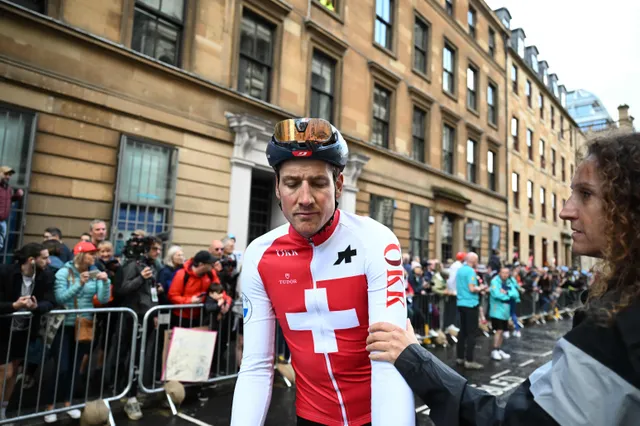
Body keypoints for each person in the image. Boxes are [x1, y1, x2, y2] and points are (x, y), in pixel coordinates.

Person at [365, 133, 640, 425]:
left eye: (585, 194)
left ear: (629, 207)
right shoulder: (620, 311)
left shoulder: (620, 326)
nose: (565, 211)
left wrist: (415, 360)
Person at [230, 118, 415, 426]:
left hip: (378, 413)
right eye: (291, 184)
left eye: (318, 183)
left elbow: (389, 360)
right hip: (311, 418)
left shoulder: (374, 240)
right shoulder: (259, 255)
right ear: (277, 187)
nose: (304, 199)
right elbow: (256, 366)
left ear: (338, 185)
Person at [45, 241, 109, 423]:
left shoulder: (94, 271)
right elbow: (60, 297)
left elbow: (103, 299)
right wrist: (79, 283)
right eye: (91, 254)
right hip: (65, 326)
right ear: (81, 255)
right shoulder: (64, 272)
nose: (94, 257)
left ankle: (68, 403)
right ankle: (50, 405)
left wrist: (105, 282)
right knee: (62, 367)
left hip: (84, 325)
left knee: (75, 367)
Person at [0, 243, 55, 423]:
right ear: (32, 260)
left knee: (14, 371)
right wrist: (13, 306)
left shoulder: (45, 276)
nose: (49, 261)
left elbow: (50, 301)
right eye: (44, 258)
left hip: (24, 331)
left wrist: (36, 306)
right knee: (5, 371)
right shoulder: (6, 273)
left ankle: (3, 409)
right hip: (3, 328)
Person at [116, 236, 163, 420]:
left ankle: (133, 392)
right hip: (134, 316)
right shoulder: (132, 265)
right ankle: (129, 396)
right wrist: (140, 278)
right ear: (145, 250)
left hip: (147, 316)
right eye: (154, 249)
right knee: (132, 355)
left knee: (141, 356)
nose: (158, 252)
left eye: (159, 249)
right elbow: (123, 288)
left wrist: (155, 311)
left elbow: (149, 291)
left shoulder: (152, 266)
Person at [454, 252, 487, 369]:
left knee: (462, 331)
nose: (477, 263)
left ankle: (460, 358)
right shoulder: (470, 271)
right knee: (472, 333)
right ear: (473, 261)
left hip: (461, 303)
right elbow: (472, 288)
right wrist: (482, 288)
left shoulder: (460, 270)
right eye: (476, 260)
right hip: (471, 304)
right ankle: (469, 360)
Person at [489, 267, 519, 360]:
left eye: (507, 273)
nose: (505, 275)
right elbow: (496, 294)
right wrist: (508, 296)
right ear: (499, 273)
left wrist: (507, 293)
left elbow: (516, 294)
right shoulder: (494, 281)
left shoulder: (509, 282)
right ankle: (494, 350)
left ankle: (498, 349)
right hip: (497, 310)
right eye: (503, 273)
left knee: (503, 331)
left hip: (505, 311)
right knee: (499, 330)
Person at [0, 166, 24, 252]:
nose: (8, 177)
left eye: (9, 175)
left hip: (3, 221)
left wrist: (17, 196)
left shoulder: (8, 189)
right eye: (6, 174)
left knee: (0, 245)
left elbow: (9, 201)